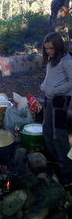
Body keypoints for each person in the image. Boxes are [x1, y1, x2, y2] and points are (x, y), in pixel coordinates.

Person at [40, 32, 72, 186]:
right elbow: (50, 77)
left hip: (61, 98)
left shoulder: (67, 61)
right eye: (46, 49)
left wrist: (55, 90)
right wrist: (45, 86)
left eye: (51, 48)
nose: (48, 52)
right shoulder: (52, 59)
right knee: (46, 127)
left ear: (58, 46)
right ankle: (53, 159)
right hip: (49, 96)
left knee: (58, 132)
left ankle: (67, 170)